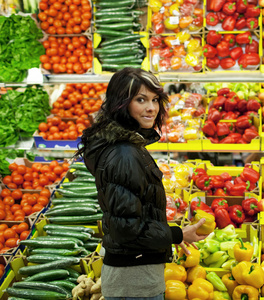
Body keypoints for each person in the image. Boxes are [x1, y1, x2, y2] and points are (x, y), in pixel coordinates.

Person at [75, 68, 208, 300]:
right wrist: (177, 234)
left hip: (134, 273)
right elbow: (127, 229)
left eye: (155, 99)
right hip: (134, 280)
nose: (152, 108)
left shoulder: (125, 145)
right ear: (121, 103)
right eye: (140, 99)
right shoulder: (124, 154)